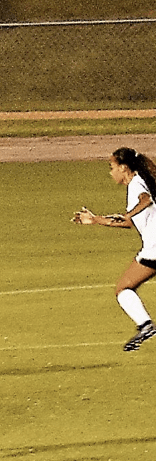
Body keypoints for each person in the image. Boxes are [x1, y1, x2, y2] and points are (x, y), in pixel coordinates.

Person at [72, 147, 156, 351]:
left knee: (123, 289)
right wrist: (95, 220)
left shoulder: (137, 184)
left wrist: (128, 215)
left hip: (154, 250)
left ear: (124, 168)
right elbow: (130, 223)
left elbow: (146, 200)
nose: (111, 172)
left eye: (112, 167)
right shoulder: (139, 182)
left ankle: (146, 326)